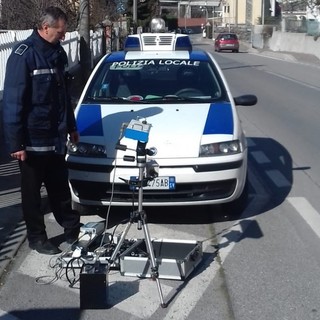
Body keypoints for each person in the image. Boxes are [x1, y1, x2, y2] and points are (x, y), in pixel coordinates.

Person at [2, 6, 81, 255]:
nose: (63, 36)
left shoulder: (58, 54)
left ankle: (72, 231)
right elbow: (13, 103)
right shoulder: (22, 55)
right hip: (32, 141)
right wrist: (16, 144)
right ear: (45, 28)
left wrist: (72, 128)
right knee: (32, 195)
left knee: (60, 188)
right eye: (60, 31)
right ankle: (37, 238)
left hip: (55, 137)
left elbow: (63, 98)